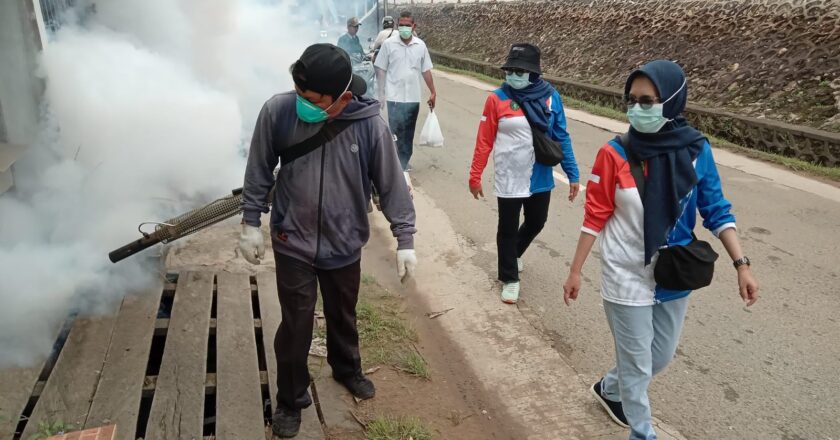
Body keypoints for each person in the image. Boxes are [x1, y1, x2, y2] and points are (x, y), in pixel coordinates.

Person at [562, 60, 759, 440]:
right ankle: (642, 432)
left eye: (647, 101)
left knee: (660, 356)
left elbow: (716, 209)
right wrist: (575, 271)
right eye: (631, 100)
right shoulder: (613, 153)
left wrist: (742, 265)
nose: (637, 108)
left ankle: (610, 388)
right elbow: (595, 216)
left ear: (671, 101)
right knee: (638, 367)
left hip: (672, 272)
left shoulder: (696, 151)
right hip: (626, 273)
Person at [239, 43, 418, 438]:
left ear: (343, 97)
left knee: (342, 312)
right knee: (297, 322)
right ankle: (290, 397)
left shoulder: (370, 125)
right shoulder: (278, 111)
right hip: (292, 239)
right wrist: (251, 221)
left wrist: (405, 238)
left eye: (315, 100)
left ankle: (347, 369)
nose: (304, 104)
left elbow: (391, 185)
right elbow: (259, 167)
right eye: (300, 95)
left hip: (343, 239)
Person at [469, 43, 580, 304]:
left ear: (534, 73)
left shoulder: (551, 97)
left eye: (520, 71)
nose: (514, 76)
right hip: (509, 175)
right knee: (506, 228)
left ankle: (514, 253)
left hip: (540, 176)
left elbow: (561, 136)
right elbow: (484, 140)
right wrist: (475, 175)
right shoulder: (497, 98)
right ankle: (509, 278)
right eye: (511, 70)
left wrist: (573, 174)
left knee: (536, 221)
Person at [374, 10, 436, 172]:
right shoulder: (389, 44)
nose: (404, 28)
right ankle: (395, 163)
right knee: (394, 131)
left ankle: (404, 161)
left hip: (413, 97)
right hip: (394, 96)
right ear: (397, 25)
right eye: (401, 25)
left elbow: (426, 70)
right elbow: (381, 69)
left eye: (407, 26)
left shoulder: (420, 45)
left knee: (408, 132)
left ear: (414, 26)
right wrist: (381, 93)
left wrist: (433, 91)